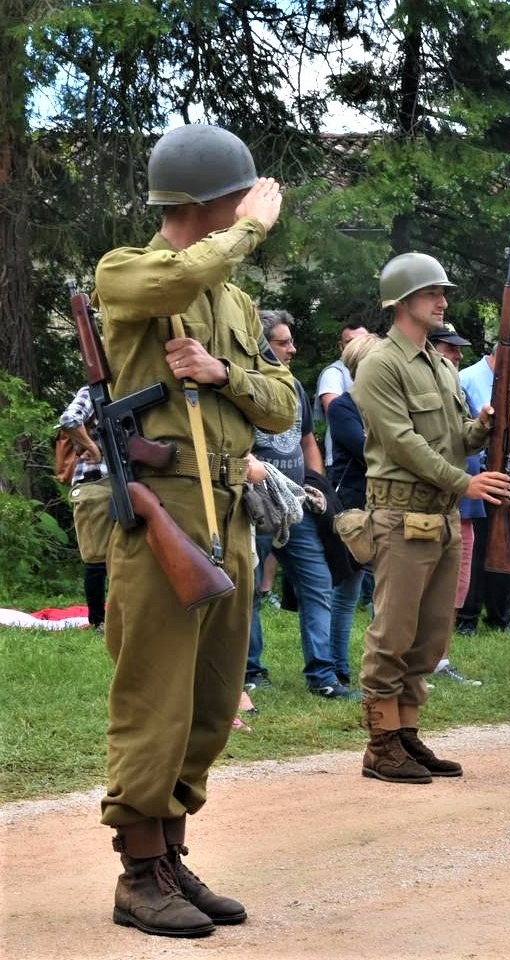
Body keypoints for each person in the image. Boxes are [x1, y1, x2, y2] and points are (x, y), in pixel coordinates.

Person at [92, 124, 295, 937]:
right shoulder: (129, 272)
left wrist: (226, 373)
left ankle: (171, 853)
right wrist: (250, 228)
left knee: (211, 700)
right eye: (238, 197)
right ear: (211, 200)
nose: (249, 209)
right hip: (163, 511)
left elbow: (281, 404)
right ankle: (138, 872)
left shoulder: (237, 304)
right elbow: (183, 276)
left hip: (228, 514)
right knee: (156, 698)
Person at [350, 252, 510, 783]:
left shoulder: (441, 366)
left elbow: (454, 436)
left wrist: (484, 426)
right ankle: (379, 743)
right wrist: (465, 482)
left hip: (439, 517)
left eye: (443, 292)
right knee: (393, 632)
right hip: (399, 515)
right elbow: (401, 442)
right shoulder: (381, 364)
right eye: (432, 293)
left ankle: (407, 733)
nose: (443, 301)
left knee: (430, 636)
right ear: (401, 302)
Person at [245, 310, 352, 699]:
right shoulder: (241, 389)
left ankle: (323, 677)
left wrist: (314, 482)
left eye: (290, 341)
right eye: (283, 342)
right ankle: (251, 672)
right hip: (253, 506)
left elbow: (308, 440)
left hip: (296, 504)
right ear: (261, 346)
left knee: (318, 582)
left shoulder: (291, 387)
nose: (292, 349)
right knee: (249, 590)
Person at [456, 334, 510, 632]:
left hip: (509, 476)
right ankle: (467, 616)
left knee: (505, 545)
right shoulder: (469, 379)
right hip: (479, 475)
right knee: (476, 549)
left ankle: (499, 615)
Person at [425, 325, 484, 686]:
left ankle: (441, 660)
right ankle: (413, 663)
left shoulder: (456, 387)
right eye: (451, 349)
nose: (459, 356)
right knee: (421, 591)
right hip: (434, 500)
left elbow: (467, 435)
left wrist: (486, 423)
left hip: (464, 504)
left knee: (454, 589)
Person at [326, 331, 386, 679]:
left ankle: (383, 668)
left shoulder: (388, 404)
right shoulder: (343, 406)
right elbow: (369, 454)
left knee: (387, 592)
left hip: (387, 503)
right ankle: (338, 667)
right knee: (347, 591)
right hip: (355, 509)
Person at [59, 386, 114, 631]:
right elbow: (69, 419)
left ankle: (119, 616)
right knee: (96, 559)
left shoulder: (128, 386)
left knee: (126, 558)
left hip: (128, 486)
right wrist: (92, 448)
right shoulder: (95, 390)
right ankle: (98, 621)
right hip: (94, 484)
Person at [315, 320, 370, 467]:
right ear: (341, 346)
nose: (357, 346)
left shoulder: (377, 371)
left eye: (362, 341)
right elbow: (338, 415)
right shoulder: (333, 373)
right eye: (351, 342)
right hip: (346, 462)